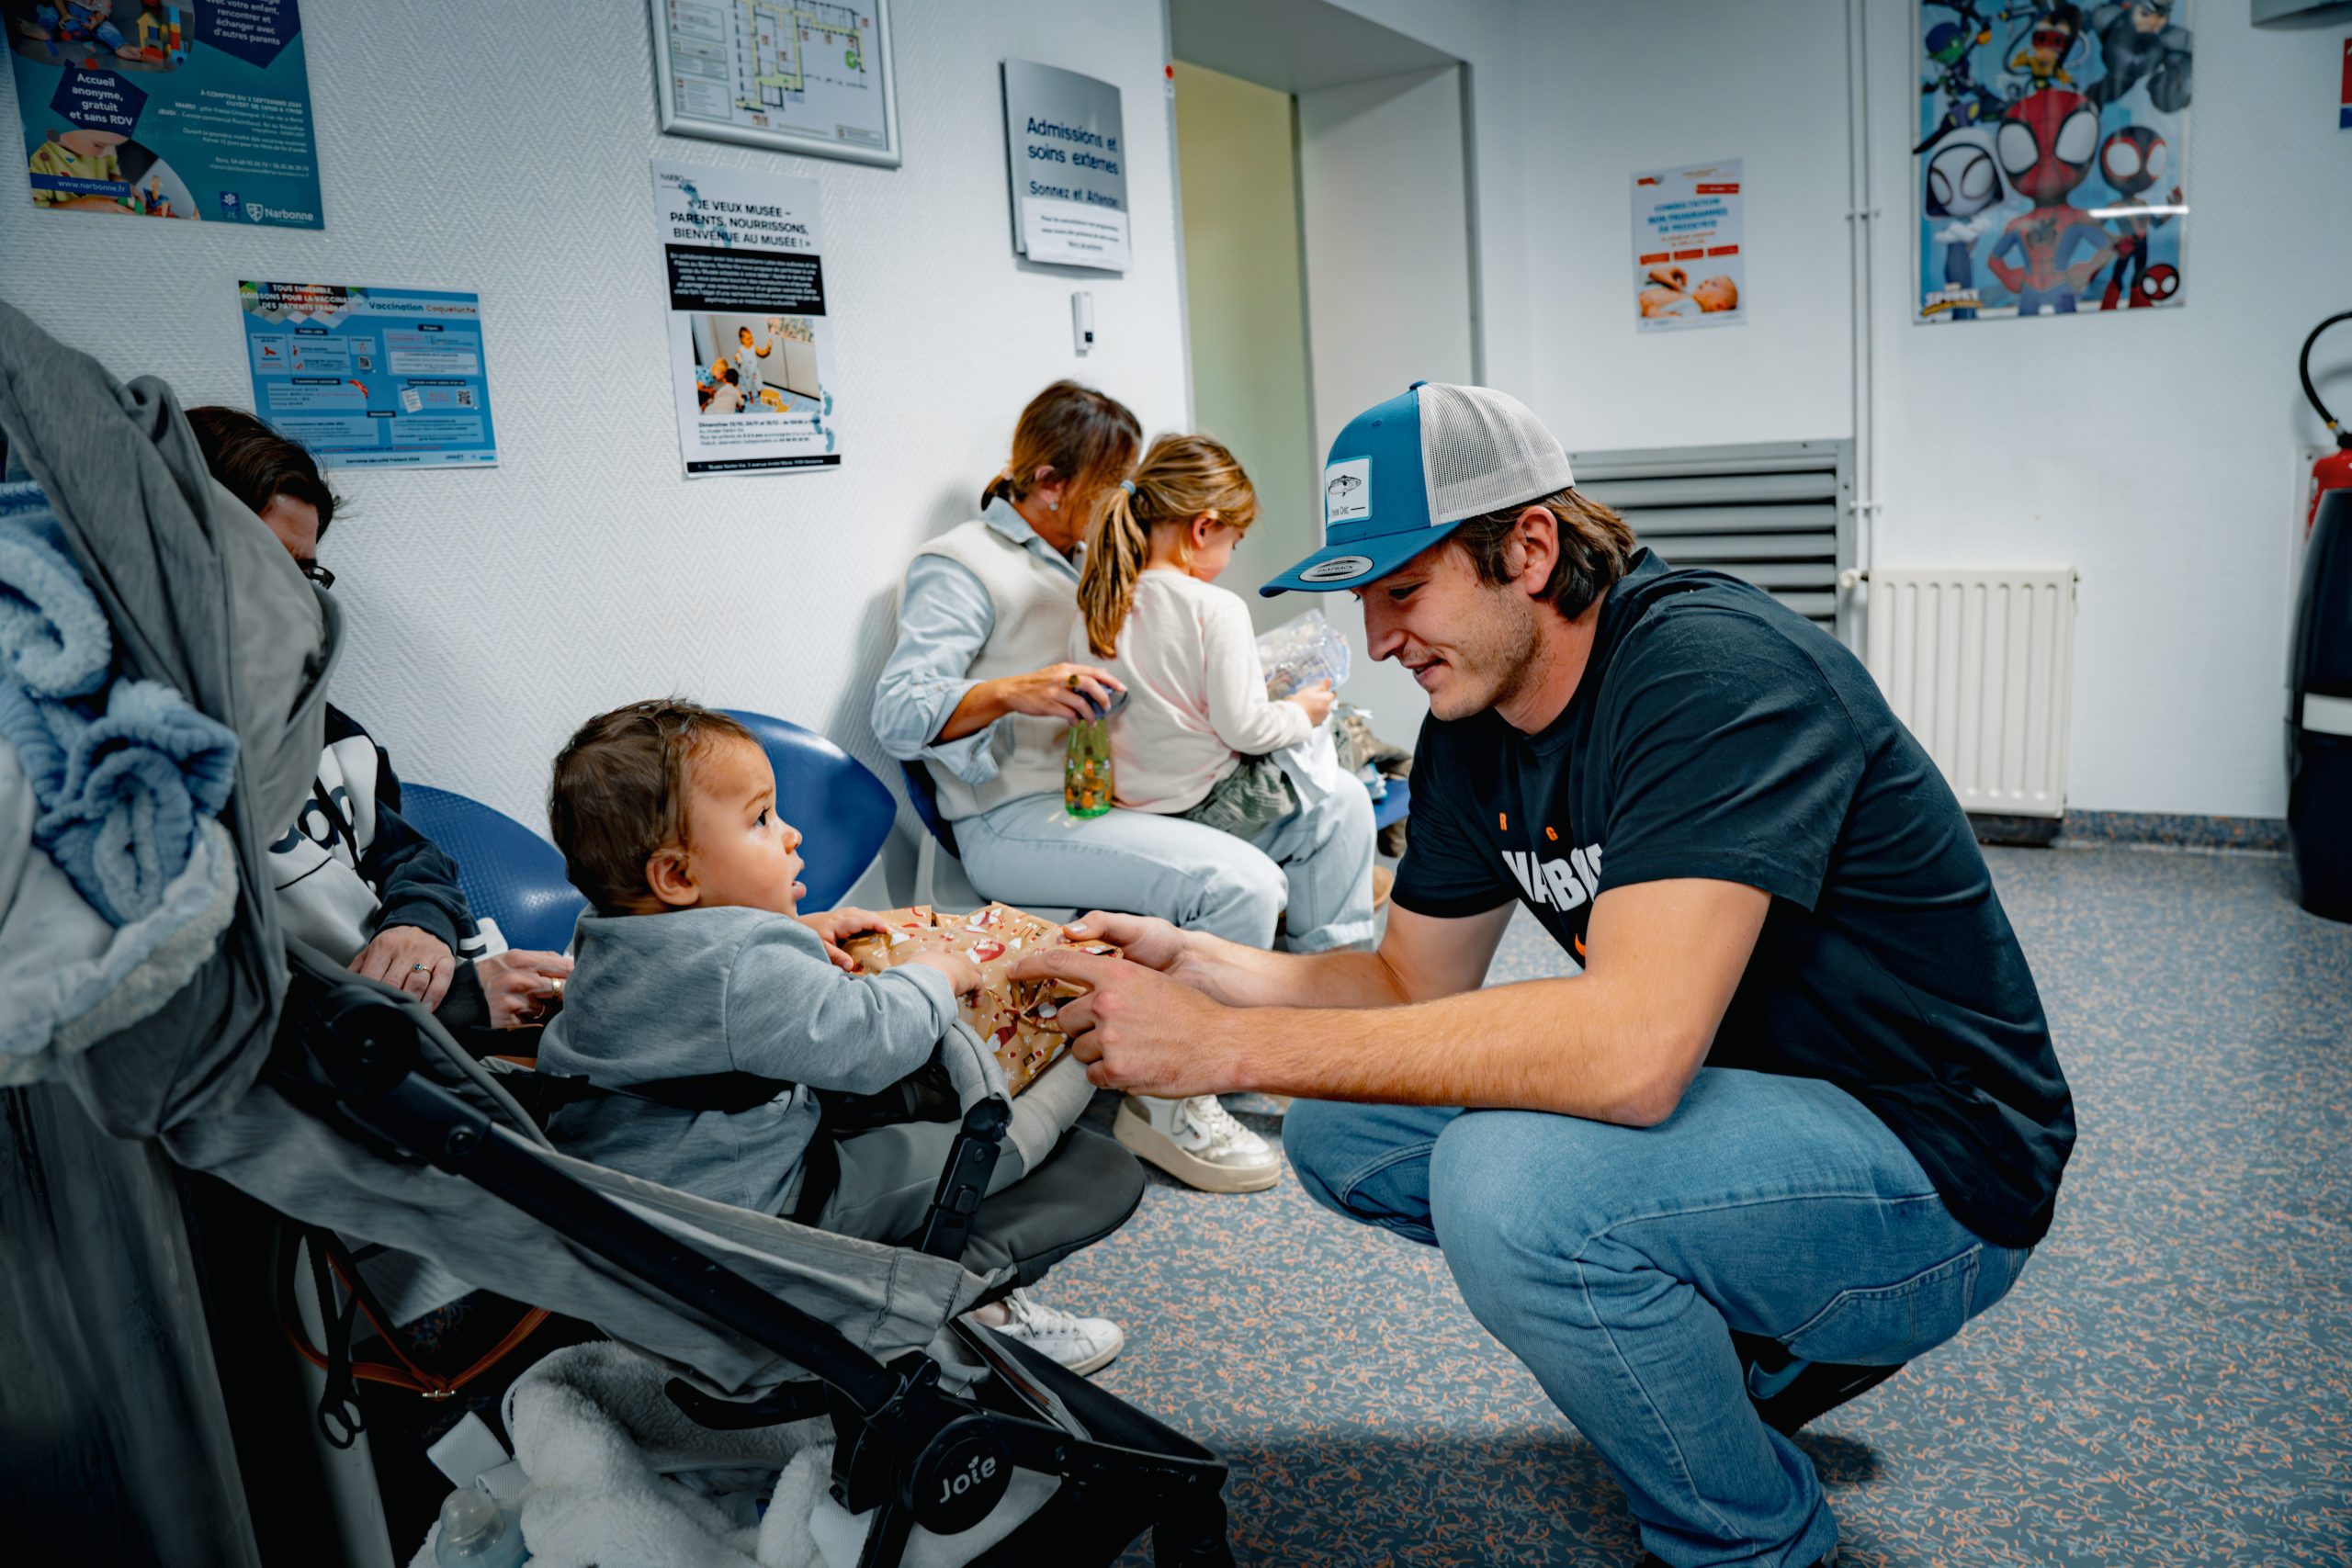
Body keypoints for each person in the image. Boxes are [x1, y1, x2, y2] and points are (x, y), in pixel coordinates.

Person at [1009, 383, 2076, 1567]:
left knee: (1511, 1183)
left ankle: (1747, 1539)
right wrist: (1201, 969)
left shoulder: (1709, 674)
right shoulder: (1479, 717)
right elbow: (1409, 984)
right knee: (1342, 1134)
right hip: (1752, 1110)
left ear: (1528, 548)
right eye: (1367, 600)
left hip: (1934, 1169)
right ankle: (1722, 1347)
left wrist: (1220, 1050)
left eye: (1403, 591)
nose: (1376, 642)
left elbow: (1627, 1058)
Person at [537, 699, 1123, 1373]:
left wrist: (792, 935)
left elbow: (702, 992)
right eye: (760, 819)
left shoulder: (606, 936)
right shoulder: (743, 970)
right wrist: (935, 972)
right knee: (1013, 1130)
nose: (789, 835)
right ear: (676, 877)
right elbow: (870, 1041)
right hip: (768, 1225)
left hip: (654, 1220)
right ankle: (962, 1312)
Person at [875, 381, 1324, 1196]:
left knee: (1311, 814)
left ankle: (1258, 1038)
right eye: (1110, 483)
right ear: (1050, 483)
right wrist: (1016, 689)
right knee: (1243, 882)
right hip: (1014, 818)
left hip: (1093, 800)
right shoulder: (961, 564)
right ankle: (1168, 1099)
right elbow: (898, 713)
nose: (1125, 500)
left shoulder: (1082, 561)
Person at [187, 406, 571, 1033]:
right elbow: (215, 1016)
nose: (295, 603)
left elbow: (412, 857)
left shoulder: (330, 732)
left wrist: (418, 923)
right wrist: (459, 1005)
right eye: (259, 563)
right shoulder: (145, 775)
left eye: (305, 572)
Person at [1066, 429, 1375, 1010]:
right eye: (1232, 541)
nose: (1229, 558)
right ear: (1202, 527)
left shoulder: (1098, 600)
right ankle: (1338, 984)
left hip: (1138, 805)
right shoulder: (1216, 606)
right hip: (1209, 809)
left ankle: (1322, 970)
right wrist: (1303, 712)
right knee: (1344, 796)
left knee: (1331, 782)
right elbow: (1246, 730)